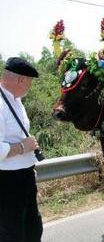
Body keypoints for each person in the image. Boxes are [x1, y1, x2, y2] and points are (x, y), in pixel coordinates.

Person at [0, 57, 42, 242]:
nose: (29, 87)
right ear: (21, 80)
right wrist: (24, 146)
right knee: (12, 233)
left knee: (33, 228)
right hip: (7, 181)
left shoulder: (16, 101)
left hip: (24, 176)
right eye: (30, 82)